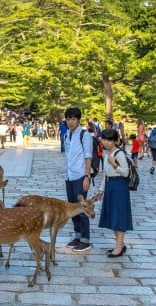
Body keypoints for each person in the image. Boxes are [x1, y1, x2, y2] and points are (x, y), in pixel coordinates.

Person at [98, 128, 133, 258]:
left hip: (119, 185)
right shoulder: (106, 153)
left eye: (109, 140)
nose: (106, 142)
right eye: (104, 139)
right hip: (110, 185)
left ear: (115, 141)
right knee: (112, 216)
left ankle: (118, 248)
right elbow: (105, 174)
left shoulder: (119, 154)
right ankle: (120, 244)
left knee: (118, 217)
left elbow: (126, 173)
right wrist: (101, 189)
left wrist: (114, 164)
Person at [62, 106, 93, 252]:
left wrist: (87, 176)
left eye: (73, 119)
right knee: (72, 208)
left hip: (80, 176)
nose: (70, 122)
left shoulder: (84, 135)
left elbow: (88, 157)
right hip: (69, 176)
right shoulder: (67, 134)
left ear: (78, 120)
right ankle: (78, 236)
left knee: (82, 207)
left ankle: (85, 240)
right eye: (68, 119)